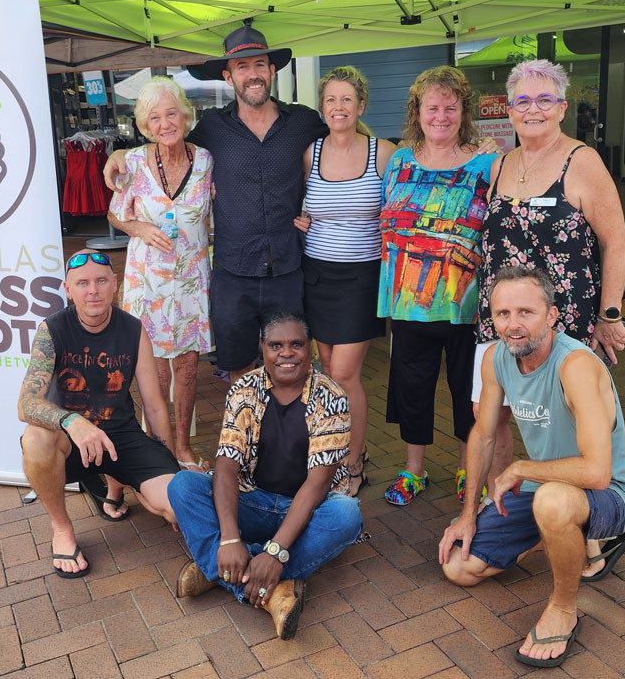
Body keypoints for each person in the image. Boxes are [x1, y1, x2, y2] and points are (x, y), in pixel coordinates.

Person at [439, 265, 625, 669]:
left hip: (608, 494)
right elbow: (481, 435)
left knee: (552, 501)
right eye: (502, 314)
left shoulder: (577, 366)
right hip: (544, 492)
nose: (513, 325)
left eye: (526, 313)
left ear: (551, 316)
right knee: (458, 567)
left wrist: (520, 469)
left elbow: (599, 472)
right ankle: (568, 539)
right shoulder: (497, 358)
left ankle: (564, 608)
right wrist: (466, 515)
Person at [105, 26, 327, 385]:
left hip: (287, 268)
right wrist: (120, 154)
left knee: (291, 362)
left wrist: (321, 211)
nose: (252, 74)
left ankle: (286, 438)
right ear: (228, 76)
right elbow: (166, 140)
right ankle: (247, 438)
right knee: (238, 368)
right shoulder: (212, 129)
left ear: (272, 70)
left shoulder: (303, 122)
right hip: (232, 273)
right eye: (242, 67)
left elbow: (341, 154)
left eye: (259, 64)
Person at [472, 60, 625, 517]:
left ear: (562, 108)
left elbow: (616, 241)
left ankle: (575, 517)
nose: (533, 109)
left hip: (561, 319)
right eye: (523, 100)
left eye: (545, 100)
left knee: (567, 418)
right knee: (495, 412)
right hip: (501, 316)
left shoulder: (582, 162)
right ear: (509, 109)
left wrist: (610, 315)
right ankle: (502, 503)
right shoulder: (500, 164)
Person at [167, 313, 363, 641]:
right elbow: (227, 463)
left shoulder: (333, 398)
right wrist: (230, 539)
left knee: (347, 515)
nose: (286, 353)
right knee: (184, 486)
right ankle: (269, 589)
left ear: (310, 349)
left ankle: (220, 572)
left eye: (296, 344)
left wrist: (275, 553)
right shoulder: (245, 388)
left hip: (305, 511)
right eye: (276, 345)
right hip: (252, 500)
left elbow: (317, 485)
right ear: (263, 348)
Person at [379, 65, 503, 507]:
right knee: (411, 388)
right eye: (433, 107)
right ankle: (414, 470)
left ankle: (467, 469)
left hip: (465, 303)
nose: (441, 115)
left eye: (451, 107)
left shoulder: (488, 163)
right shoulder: (398, 161)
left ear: (463, 112)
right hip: (408, 301)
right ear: (418, 112)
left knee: (468, 392)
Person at [17, 250, 179, 578]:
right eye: (83, 283)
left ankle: (117, 486)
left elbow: (155, 405)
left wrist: (171, 465)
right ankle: (61, 528)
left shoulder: (133, 330)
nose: (93, 290)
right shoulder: (52, 330)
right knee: (34, 438)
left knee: (177, 505)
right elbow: (26, 404)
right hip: (71, 440)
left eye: (101, 281)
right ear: (68, 288)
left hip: (121, 436)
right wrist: (71, 421)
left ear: (115, 284)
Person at [293, 66, 397, 495]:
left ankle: (352, 465)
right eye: (331, 100)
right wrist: (298, 221)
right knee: (327, 372)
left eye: (346, 100)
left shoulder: (384, 153)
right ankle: (346, 448)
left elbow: (407, 203)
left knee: (343, 374)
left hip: (362, 275)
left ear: (361, 105)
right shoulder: (310, 153)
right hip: (317, 274)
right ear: (323, 107)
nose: (339, 107)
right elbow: (294, 199)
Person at [107, 77, 213, 472]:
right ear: (145, 126)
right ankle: (158, 448)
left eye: (172, 113)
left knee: (186, 367)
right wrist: (138, 228)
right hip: (146, 282)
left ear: (185, 116)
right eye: (155, 117)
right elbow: (115, 212)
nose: (165, 123)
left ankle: (183, 448)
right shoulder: (133, 162)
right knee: (149, 368)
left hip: (190, 280)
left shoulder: (205, 161)